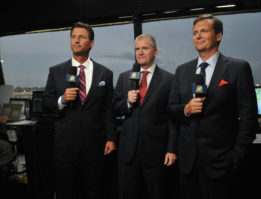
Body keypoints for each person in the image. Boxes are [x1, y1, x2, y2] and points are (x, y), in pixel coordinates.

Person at [168, 14, 258, 199]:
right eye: (194, 33)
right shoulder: (182, 70)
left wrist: (235, 157)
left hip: (221, 164)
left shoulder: (237, 68)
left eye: (203, 31)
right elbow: (171, 109)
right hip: (188, 165)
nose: (198, 36)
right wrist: (186, 109)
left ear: (218, 36)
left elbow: (249, 117)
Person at [42, 22, 116, 199]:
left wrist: (111, 138)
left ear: (91, 43)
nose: (76, 40)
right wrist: (62, 100)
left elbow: (108, 109)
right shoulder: (56, 71)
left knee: (94, 191)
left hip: (95, 146)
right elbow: (45, 103)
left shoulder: (105, 74)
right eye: (73, 37)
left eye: (81, 37)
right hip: (65, 146)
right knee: (64, 192)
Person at [112, 33, 177, 199]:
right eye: (137, 49)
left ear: (155, 52)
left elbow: (173, 118)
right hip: (128, 153)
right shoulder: (124, 77)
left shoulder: (169, 80)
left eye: (145, 48)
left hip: (156, 154)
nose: (140, 52)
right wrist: (127, 102)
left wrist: (171, 149)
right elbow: (114, 108)